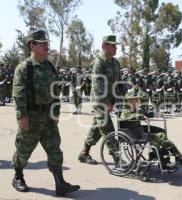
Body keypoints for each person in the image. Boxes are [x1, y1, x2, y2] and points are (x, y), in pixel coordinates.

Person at [11, 30, 79, 196]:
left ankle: (60, 183)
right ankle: (18, 176)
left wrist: (56, 111)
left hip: (48, 117)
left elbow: (56, 90)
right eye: (42, 44)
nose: (46, 46)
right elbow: (18, 93)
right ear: (32, 46)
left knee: (55, 149)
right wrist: (21, 115)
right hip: (32, 117)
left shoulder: (49, 66)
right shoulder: (24, 67)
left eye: (46, 43)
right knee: (23, 150)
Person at [120, 90, 182, 169]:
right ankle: (170, 160)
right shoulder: (125, 110)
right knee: (158, 137)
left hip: (139, 131)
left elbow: (146, 113)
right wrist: (140, 116)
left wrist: (155, 113)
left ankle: (168, 158)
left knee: (161, 133)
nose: (139, 102)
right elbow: (125, 117)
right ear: (130, 101)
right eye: (137, 100)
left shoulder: (136, 109)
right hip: (133, 134)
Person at [78, 35, 123, 164]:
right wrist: (106, 101)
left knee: (97, 126)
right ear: (104, 46)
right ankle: (117, 158)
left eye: (116, 46)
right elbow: (97, 84)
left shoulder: (115, 63)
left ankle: (84, 153)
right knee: (107, 127)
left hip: (111, 98)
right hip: (100, 100)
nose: (115, 48)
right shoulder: (99, 62)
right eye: (113, 45)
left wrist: (126, 97)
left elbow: (120, 82)